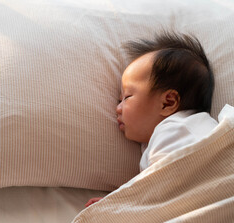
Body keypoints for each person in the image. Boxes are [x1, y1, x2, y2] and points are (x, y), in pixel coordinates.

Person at [85, 31, 218, 208]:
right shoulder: (168, 136)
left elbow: (159, 187)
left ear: (168, 102)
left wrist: (117, 205)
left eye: (127, 97)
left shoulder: (177, 129)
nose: (118, 108)